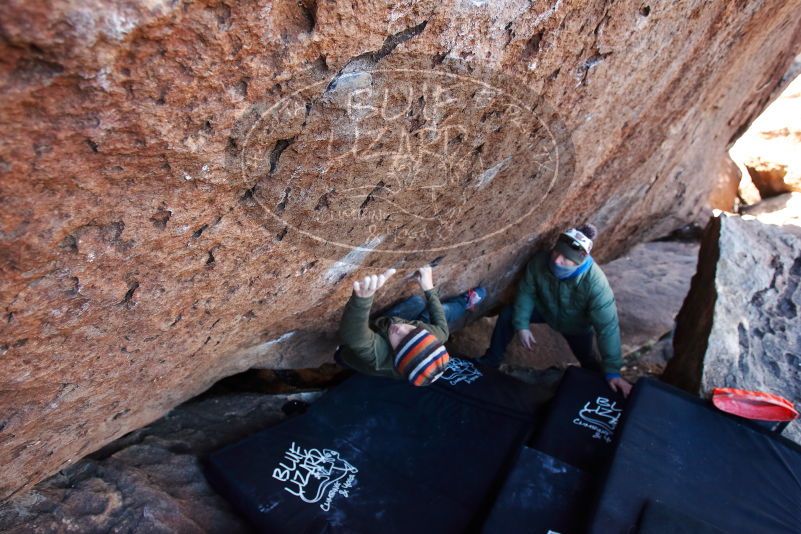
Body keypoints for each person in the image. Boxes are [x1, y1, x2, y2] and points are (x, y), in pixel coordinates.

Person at [479, 224, 632, 397]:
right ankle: (491, 361)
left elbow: (607, 327)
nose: (557, 260)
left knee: (588, 360)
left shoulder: (596, 285)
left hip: (576, 326)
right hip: (546, 310)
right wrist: (522, 325)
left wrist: (613, 370)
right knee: (509, 314)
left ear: (579, 261)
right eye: (556, 252)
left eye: (566, 258)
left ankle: (606, 386)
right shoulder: (540, 262)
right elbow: (526, 292)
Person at [336, 265, 485, 386]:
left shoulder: (382, 360)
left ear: (396, 356)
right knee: (428, 306)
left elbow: (354, 335)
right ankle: (464, 303)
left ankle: (341, 354)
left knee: (416, 304)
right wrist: (428, 288)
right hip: (390, 330)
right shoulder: (437, 335)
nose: (400, 329)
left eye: (401, 342)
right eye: (413, 332)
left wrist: (363, 299)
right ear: (429, 336)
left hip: (355, 347)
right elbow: (441, 322)